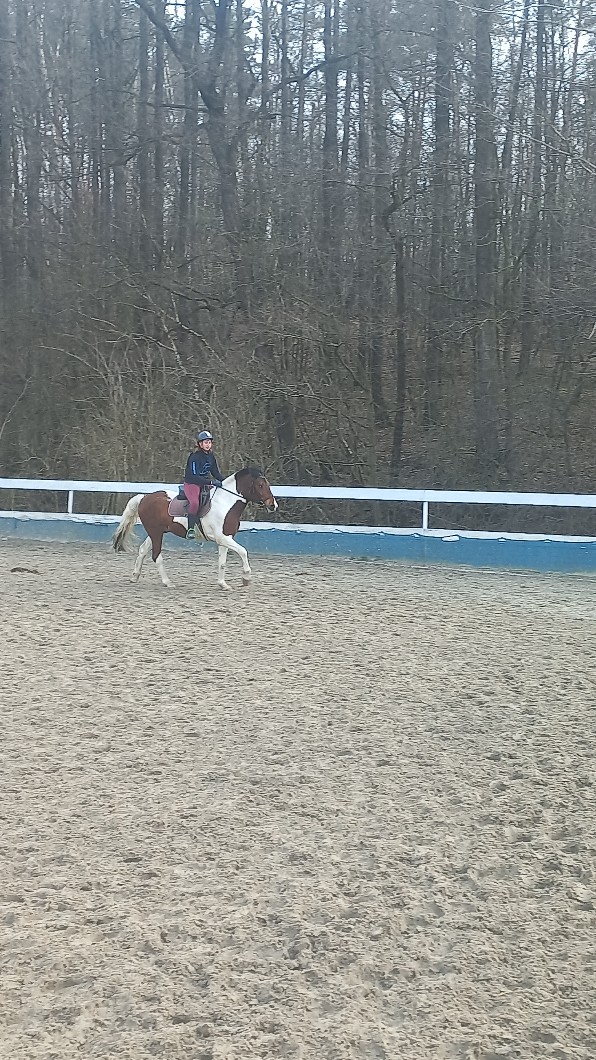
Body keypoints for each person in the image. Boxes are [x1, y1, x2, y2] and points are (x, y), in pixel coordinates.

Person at [183, 430, 226, 539]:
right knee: (195, 503)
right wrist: (210, 482)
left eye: (209, 442)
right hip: (192, 484)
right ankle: (190, 529)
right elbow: (194, 475)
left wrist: (225, 482)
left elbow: (215, 472)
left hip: (205, 484)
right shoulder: (194, 457)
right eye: (206, 442)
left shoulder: (211, 456)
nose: (208, 445)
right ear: (200, 444)